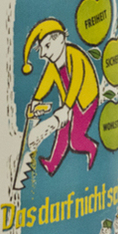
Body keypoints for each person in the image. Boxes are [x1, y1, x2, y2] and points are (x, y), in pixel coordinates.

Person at [21, 19, 99, 175]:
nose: (43, 53)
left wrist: (67, 107)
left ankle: (92, 148)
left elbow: (76, 82)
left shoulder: (74, 55)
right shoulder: (53, 64)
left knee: (75, 142)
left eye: (47, 46)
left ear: (61, 39)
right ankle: (52, 164)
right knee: (62, 131)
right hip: (69, 103)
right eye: (41, 49)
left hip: (85, 100)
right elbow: (45, 83)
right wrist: (36, 100)